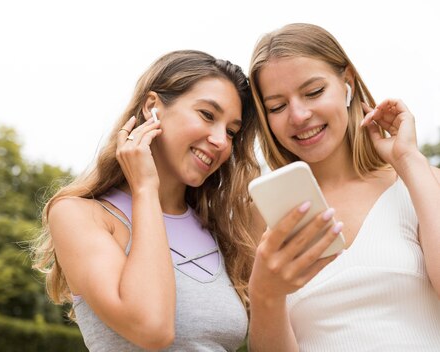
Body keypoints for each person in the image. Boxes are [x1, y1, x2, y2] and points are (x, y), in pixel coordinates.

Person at [31, 50, 260, 351]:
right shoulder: (79, 215)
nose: (220, 140)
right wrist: (145, 190)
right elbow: (152, 328)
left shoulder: (226, 233)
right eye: (207, 115)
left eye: (231, 132)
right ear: (153, 107)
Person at [246, 23, 440, 351]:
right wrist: (265, 295)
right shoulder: (260, 217)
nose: (299, 115)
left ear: (347, 83)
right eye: (277, 106)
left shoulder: (424, 181)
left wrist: (408, 160)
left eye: (313, 92)